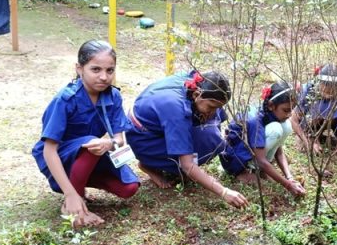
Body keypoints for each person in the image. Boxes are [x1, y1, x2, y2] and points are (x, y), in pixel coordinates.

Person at [32, 40, 140, 227]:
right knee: (91, 143)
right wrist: (71, 194)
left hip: (92, 158)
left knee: (129, 188)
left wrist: (109, 144)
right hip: (60, 159)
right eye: (96, 69)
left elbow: (119, 139)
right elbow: (49, 151)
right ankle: (76, 206)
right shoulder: (65, 100)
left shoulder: (113, 96)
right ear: (80, 69)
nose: (104, 77)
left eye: (110, 70)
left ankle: (78, 185)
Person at [127, 70, 249, 209]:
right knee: (210, 144)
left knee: (213, 135)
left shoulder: (195, 83)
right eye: (212, 107)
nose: (214, 112)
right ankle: (149, 164)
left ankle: (167, 163)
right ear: (197, 94)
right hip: (143, 138)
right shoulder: (176, 110)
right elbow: (188, 165)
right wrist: (224, 192)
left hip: (157, 124)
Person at [220, 81, 306, 197]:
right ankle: (244, 171)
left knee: (286, 126)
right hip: (233, 159)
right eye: (286, 110)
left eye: (291, 110)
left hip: (254, 153)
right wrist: (288, 185)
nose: (290, 114)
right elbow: (260, 159)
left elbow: (279, 150)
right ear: (271, 105)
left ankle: (262, 170)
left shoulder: (270, 113)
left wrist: (289, 177)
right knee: (276, 129)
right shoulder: (254, 120)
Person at [290, 64, 337, 159]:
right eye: (326, 92)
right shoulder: (308, 89)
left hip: (332, 120)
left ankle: (332, 137)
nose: (328, 95)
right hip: (312, 122)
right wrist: (306, 141)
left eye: (332, 93)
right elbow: (293, 119)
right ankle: (312, 136)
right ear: (319, 83)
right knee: (318, 106)